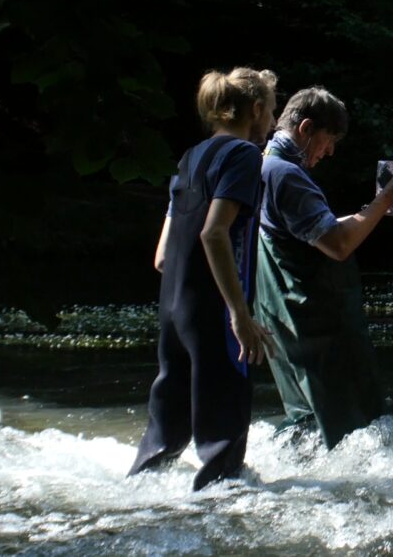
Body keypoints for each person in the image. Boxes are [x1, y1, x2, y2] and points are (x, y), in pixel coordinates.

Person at [129, 67, 278, 491]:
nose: (270, 125)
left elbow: (162, 255)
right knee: (222, 444)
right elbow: (214, 232)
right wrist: (240, 315)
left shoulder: (190, 156)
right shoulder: (245, 156)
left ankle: (139, 498)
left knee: (164, 437)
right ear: (255, 110)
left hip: (173, 308)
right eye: (270, 114)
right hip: (212, 310)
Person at [253, 86, 393, 449]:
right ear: (305, 128)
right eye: (328, 139)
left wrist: (382, 210)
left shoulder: (262, 165)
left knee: (307, 420)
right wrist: (383, 200)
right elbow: (337, 243)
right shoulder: (287, 174)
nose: (329, 151)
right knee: (348, 420)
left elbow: (319, 230)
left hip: (283, 318)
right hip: (313, 323)